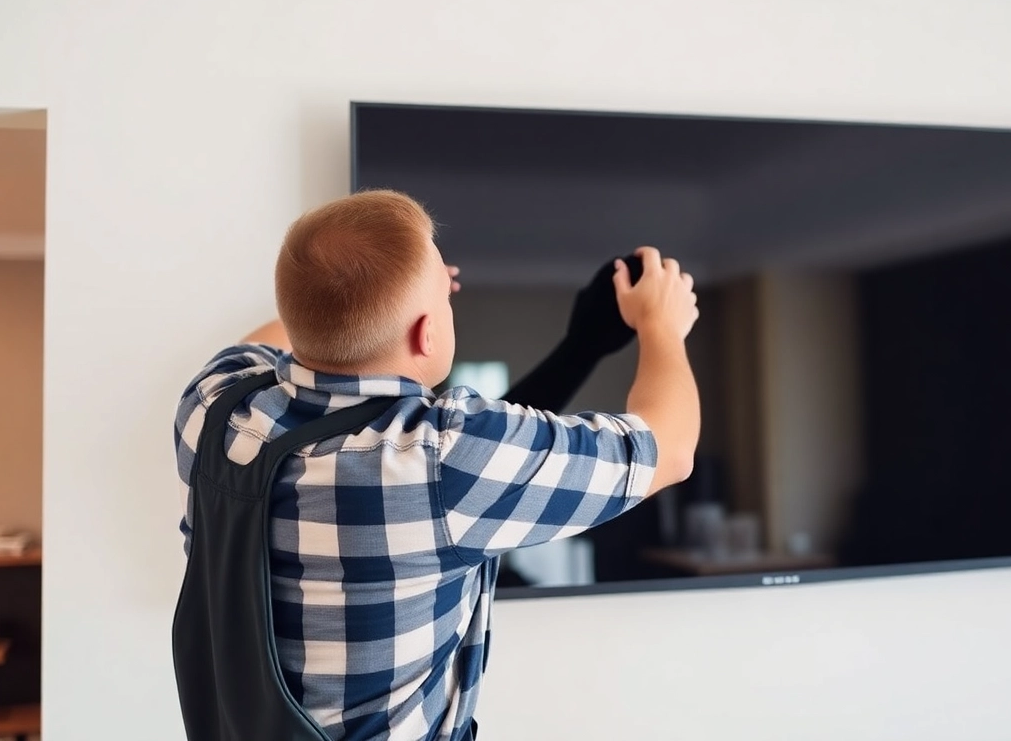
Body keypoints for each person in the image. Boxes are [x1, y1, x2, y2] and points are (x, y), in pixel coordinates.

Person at [171, 189, 700, 741]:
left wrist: (379, 285)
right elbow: (670, 449)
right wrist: (661, 324)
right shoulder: (437, 459)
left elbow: (284, 332)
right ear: (426, 333)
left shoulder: (212, 406)